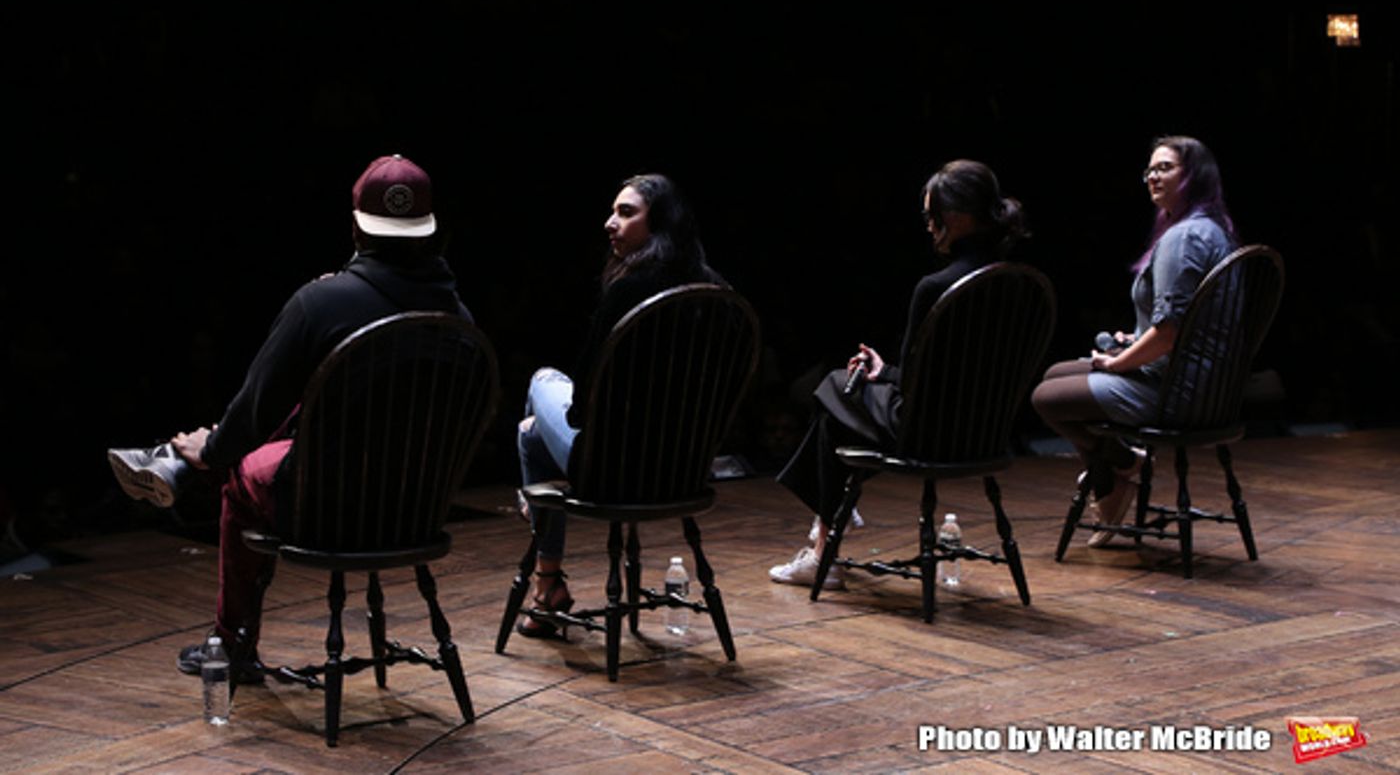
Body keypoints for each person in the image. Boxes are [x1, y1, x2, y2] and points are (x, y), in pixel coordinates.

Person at [107, 154, 473, 678]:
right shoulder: (459, 317)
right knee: (314, 402)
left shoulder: (322, 302)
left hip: (326, 506)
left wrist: (212, 451)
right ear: (429, 231)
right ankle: (183, 462)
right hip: (417, 511)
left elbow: (258, 410)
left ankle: (231, 642)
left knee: (240, 468)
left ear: (355, 228)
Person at [768, 160, 1029, 588]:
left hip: (930, 434)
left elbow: (913, 385)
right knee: (844, 397)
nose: (928, 226)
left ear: (958, 218)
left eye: (933, 216)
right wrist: (884, 370)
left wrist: (883, 375)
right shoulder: (1018, 282)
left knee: (835, 387)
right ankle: (826, 520)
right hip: (987, 431)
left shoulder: (935, 287)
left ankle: (824, 541)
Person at [515, 173, 724, 639]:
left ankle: (546, 572)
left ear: (661, 223)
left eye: (626, 213)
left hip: (613, 473)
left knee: (542, 385)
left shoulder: (628, 292)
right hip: (684, 471)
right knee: (531, 431)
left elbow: (579, 408)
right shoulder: (716, 291)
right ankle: (545, 587)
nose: (610, 223)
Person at [1031, 135, 1238, 546]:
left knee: (1046, 398)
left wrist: (1119, 362)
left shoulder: (1184, 238)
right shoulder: (1206, 229)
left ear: (1194, 175)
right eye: (1150, 169)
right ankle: (1122, 464)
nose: (1152, 176)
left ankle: (1117, 470)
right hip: (1201, 380)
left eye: (1165, 168)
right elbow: (1173, 328)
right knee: (1057, 374)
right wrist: (1133, 340)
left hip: (1179, 391)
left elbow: (1170, 334)